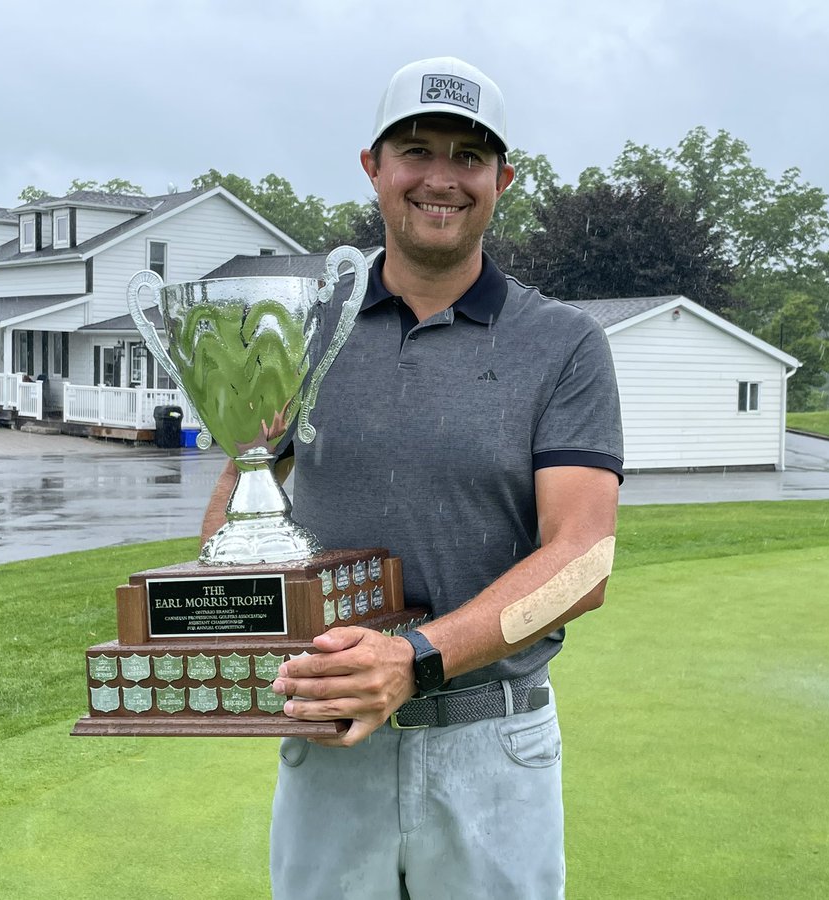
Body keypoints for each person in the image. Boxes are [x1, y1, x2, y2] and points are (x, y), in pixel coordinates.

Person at [203, 56, 623, 899]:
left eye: (468, 157)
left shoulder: (565, 343)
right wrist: (279, 656)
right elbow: (235, 512)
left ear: (503, 177)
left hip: (490, 748)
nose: (442, 178)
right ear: (374, 167)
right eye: (416, 150)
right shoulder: (302, 328)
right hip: (331, 743)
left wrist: (414, 659)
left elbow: (582, 561)